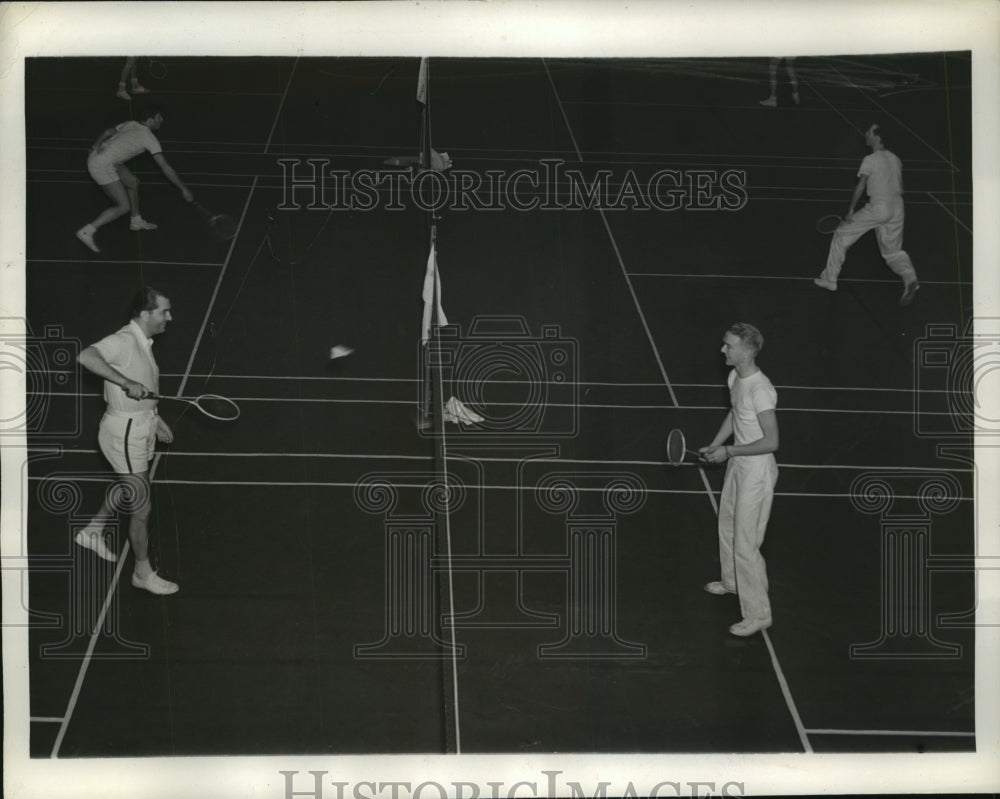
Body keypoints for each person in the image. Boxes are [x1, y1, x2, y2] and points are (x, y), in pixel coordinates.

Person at [74, 286, 178, 596]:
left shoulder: (143, 341)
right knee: (142, 507)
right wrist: (124, 381)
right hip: (126, 432)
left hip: (140, 425)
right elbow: (86, 356)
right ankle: (142, 573)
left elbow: (146, 385)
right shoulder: (123, 341)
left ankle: (93, 530)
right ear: (145, 314)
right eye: (164, 312)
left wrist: (155, 417)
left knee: (129, 484)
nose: (169, 318)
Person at [699, 323, 779, 637]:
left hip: (756, 471)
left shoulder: (761, 389)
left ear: (745, 351)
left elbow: (772, 441)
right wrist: (719, 443)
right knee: (728, 524)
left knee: (746, 542)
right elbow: (734, 414)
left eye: (728, 346)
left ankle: (759, 614)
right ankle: (733, 582)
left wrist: (729, 451)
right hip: (739, 464)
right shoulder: (736, 377)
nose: (723, 350)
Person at [813, 122, 920, 306]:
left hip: (879, 206)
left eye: (869, 131)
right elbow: (900, 186)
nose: (866, 134)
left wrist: (850, 211)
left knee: (841, 234)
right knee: (893, 252)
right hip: (898, 207)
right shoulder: (895, 159)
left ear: (877, 137)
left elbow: (860, 186)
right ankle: (910, 279)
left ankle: (830, 279)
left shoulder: (870, 160)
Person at [75, 105, 194, 253]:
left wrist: (95, 146)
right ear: (150, 120)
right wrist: (183, 188)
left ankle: (136, 221)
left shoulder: (131, 123)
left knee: (132, 182)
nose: (161, 120)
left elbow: (107, 132)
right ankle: (88, 230)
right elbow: (165, 167)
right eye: (158, 117)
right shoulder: (149, 139)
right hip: (102, 165)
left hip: (101, 158)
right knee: (123, 206)